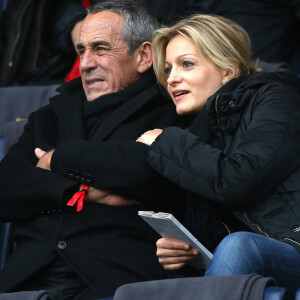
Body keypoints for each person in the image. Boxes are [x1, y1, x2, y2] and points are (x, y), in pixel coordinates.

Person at [0, 1, 189, 299]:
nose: (86, 63)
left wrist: (57, 159)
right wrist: (80, 192)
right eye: (81, 51)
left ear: (143, 56)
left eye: (100, 49)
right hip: (28, 276)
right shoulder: (50, 114)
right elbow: (6, 188)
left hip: (115, 278)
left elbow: (148, 171)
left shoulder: (173, 109)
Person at [137, 14, 300, 298]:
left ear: (229, 70)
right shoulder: (197, 132)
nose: (172, 78)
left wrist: (166, 141)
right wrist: (185, 256)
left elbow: (237, 180)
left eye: (186, 64)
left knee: (240, 246)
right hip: (253, 265)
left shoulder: (275, 96)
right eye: (167, 69)